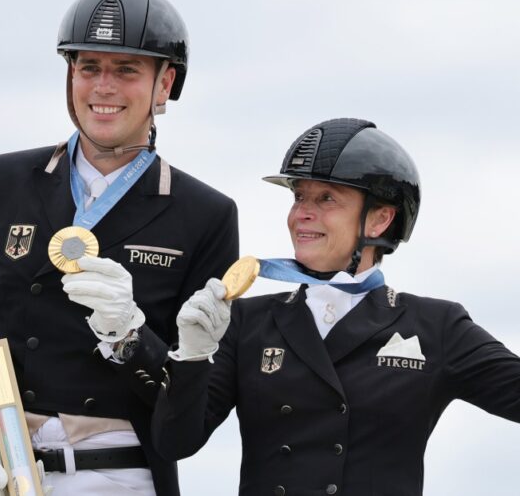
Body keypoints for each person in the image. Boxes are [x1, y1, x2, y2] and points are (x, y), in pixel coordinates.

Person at [0, 0, 238, 494]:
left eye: (126, 70)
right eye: (87, 66)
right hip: (4, 468)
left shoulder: (205, 214)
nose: (103, 87)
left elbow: (185, 422)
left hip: (124, 474)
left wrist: (131, 338)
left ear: (165, 83)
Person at [151, 117, 520, 495]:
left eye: (325, 198)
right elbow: (174, 442)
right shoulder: (246, 321)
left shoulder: (436, 326)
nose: (302, 214)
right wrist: (191, 358)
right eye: (299, 197)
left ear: (379, 219)